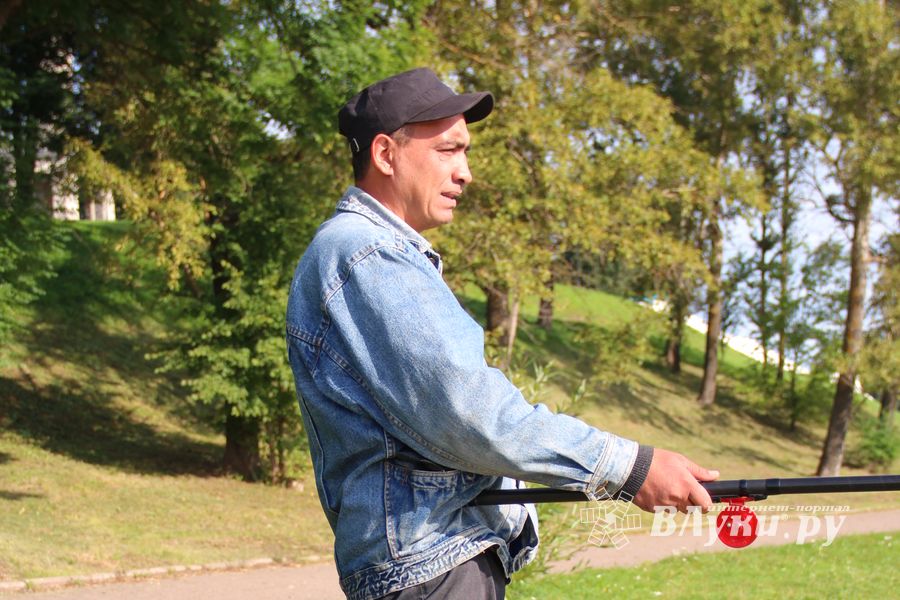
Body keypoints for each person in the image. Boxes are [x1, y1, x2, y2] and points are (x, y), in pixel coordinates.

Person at [285, 67, 719, 600]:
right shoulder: (368, 254)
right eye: (448, 150)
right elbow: (473, 415)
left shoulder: (363, 254)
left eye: (466, 153)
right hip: (432, 573)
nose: (465, 172)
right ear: (384, 154)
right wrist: (631, 468)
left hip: (429, 567)